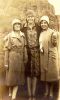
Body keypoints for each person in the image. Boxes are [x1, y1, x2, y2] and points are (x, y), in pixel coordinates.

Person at [4, 18, 28, 100]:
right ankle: (10, 90)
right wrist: (6, 62)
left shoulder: (23, 35)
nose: (17, 26)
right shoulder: (10, 36)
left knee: (17, 78)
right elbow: (6, 49)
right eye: (15, 24)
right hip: (12, 58)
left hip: (20, 58)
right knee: (11, 77)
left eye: (18, 24)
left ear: (20, 26)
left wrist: (25, 58)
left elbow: (24, 47)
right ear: (13, 26)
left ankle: (13, 96)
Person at [39, 15, 60, 99]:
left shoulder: (52, 32)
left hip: (51, 56)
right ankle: (46, 91)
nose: (43, 24)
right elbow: (41, 42)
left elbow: (55, 44)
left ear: (48, 23)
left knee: (51, 75)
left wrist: (56, 35)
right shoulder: (41, 33)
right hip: (43, 56)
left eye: (45, 23)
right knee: (45, 75)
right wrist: (40, 46)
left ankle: (51, 92)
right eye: (42, 23)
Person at [22, 10, 40, 100]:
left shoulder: (38, 27)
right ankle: (29, 95)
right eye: (28, 16)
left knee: (35, 74)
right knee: (28, 74)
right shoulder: (23, 29)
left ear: (34, 17)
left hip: (37, 53)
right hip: (27, 52)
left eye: (32, 16)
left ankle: (34, 94)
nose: (30, 18)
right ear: (26, 18)